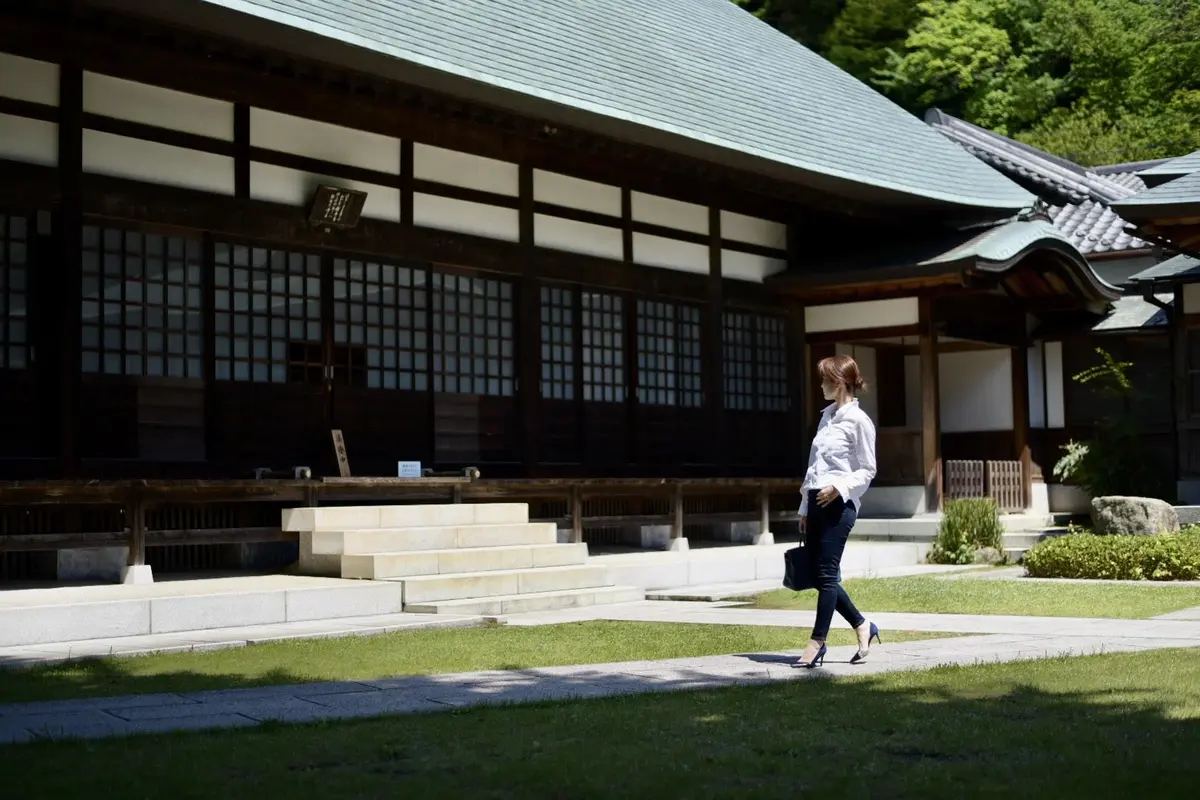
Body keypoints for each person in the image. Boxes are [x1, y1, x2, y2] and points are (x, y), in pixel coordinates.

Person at [795, 354, 881, 668]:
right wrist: (805, 507)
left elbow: (868, 469)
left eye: (824, 380)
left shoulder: (859, 421)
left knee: (827, 575)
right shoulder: (826, 417)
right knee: (820, 575)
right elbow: (814, 467)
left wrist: (839, 488)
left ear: (839, 382)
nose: (820, 385)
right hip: (816, 502)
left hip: (839, 505)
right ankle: (862, 625)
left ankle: (817, 642)